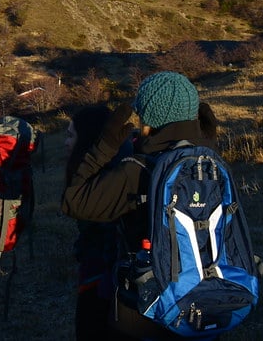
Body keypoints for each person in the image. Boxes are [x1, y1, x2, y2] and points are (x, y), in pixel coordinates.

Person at [62, 71, 212, 339]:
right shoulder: (210, 165)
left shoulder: (139, 171)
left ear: (149, 118)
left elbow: (74, 202)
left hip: (146, 309)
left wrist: (104, 146)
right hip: (203, 301)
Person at [63, 105, 135, 341]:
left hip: (101, 278)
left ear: (87, 140)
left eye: (71, 135)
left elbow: (74, 204)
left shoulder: (100, 177)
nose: (65, 142)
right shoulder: (121, 163)